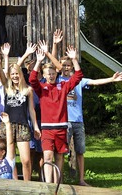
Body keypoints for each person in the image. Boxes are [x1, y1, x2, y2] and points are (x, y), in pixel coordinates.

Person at [58, 60, 122, 186]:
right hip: (63, 121)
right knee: (60, 153)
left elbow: (94, 82)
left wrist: (111, 79)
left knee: (80, 151)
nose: (66, 67)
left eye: (68, 65)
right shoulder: (57, 80)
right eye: (64, 65)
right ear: (60, 66)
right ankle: (60, 181)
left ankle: (81, 180)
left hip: (78, 121)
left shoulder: (78, 80)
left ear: (72, 66)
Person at [29, 46, 82, 184]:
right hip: (47, 129)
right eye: (48, 74)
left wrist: (74, 59)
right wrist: (39, 61)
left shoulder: (63, 86)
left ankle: (58, 184)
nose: (51, 76)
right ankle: (48, 185)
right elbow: (32, 80)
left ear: (56, 74)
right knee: (47, 156)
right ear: (44, 75)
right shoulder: (41, 89)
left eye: (53, 73)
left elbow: (78, 77)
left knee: (59, 156)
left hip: (61, 128)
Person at [1, 63, 40, 181]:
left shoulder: (28, 90)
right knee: (11, 159)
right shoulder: (6, 88)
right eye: (12, 74)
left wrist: (36, 127)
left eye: (16, 73)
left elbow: (31, 110)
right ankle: (15, 184)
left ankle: (26, 184)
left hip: (22, 125)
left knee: (26, 160)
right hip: (8, 126)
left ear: (21, 74)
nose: (14, 76)